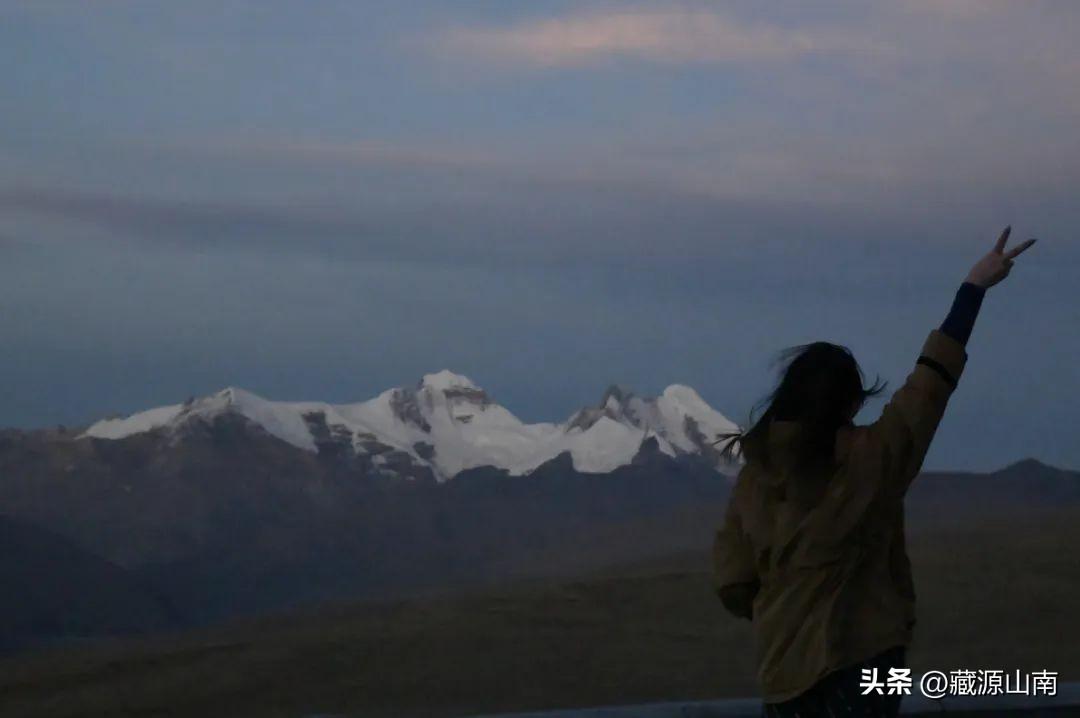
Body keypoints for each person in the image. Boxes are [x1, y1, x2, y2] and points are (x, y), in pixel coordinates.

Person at [711, 227, 1038, 717]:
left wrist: (788, 604)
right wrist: (972, 289)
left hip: (783, 678)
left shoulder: (756, 474)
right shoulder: (871, 459)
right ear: (849, 401)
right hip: (871, 668)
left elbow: (733, 582)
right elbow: (929, 386)